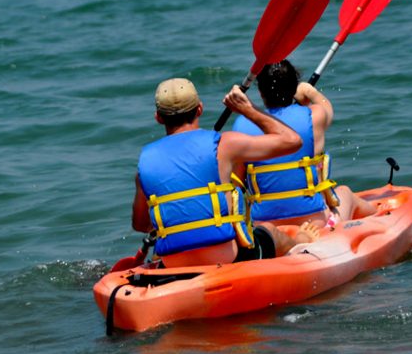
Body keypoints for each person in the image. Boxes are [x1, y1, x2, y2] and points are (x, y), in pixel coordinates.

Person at [131, 77, 319, 268]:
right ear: (199, 109)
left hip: (173, 263)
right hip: (228, 257)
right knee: (269, 230)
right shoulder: (223, 144)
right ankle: (302, 239)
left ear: (158, 117)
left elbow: (141, 224)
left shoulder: (145, 163)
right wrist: (248, 110)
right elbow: (292, 141)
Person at [232, 60, 376, 228]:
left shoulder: (241, 126)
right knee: (345, 193)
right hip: (315, 221)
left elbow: (238, 181)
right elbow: (326, 109)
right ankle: (383, 220)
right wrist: (309, 92)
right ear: (295, 88)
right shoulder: (313, 116)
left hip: (264, 224)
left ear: (260, 91)